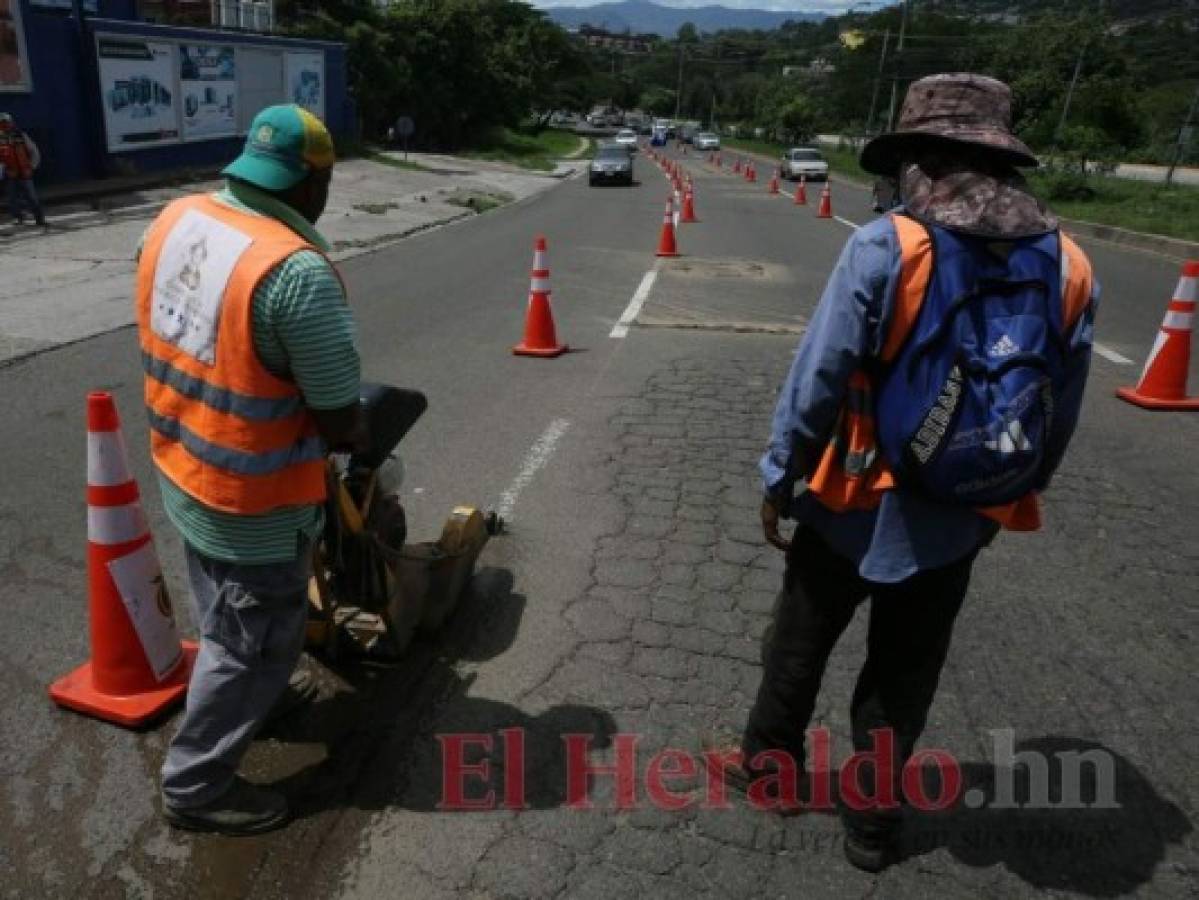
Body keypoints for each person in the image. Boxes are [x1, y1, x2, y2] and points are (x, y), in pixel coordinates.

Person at [711, 74, 1098, 871]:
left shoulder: (890, 242)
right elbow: (1060, 406)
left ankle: (769, 771)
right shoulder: (1067, 262)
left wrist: (780, 475)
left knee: (798, 642)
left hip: (851, 497)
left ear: (916, 157)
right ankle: (874, 827)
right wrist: (1014, 490)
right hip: (962, 509)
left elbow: (818, 377)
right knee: (905, 671)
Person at [134, 104, 364, 835]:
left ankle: (255, 700)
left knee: (225, 612)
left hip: (184, 466)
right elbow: (336, 414)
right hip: (253, 501)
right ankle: (197, 787)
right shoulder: (294, 274)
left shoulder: (175, 219)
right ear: (315, 182)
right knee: (250, 640)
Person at [0, 113, 47, 228]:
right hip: (11, 173)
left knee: (32, 197)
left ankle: (39, 219)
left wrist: (32, 166)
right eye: (2, 123)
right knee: (12, 198)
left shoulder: (21, 135)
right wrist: (2, 173)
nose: (5, 125)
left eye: (6, 122)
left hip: (25, 172)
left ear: (11, 122)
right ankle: (18, 218)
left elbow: (34, 151)